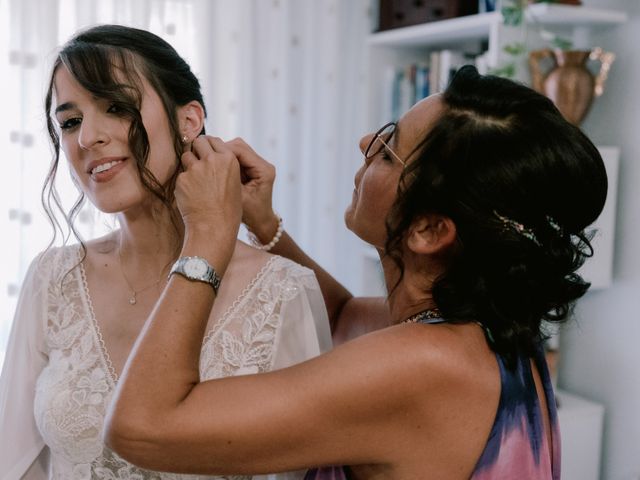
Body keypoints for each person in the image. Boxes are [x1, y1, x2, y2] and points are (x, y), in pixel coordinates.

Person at [104, 65, 607, 479]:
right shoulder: (486, 331)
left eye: (388, 147)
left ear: (429, 231)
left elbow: (142, 426)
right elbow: (344, 316)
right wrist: (264, 224)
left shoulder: (422, 367)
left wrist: (209, 236)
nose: (366, 140)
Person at [0, 24, 332, 480]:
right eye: (70, 121)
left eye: (116, 106)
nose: (87, 138)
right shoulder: (52, 278)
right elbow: (14, 459)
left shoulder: (281, 289)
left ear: (189, 120)